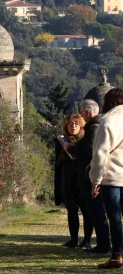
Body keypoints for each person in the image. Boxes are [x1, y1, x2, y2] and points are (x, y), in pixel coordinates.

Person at [65, 100, 110, 253]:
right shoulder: (100, 125)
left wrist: (71, 149)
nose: (82, 116)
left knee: (96, 212)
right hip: (93, 176)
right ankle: (103, 243)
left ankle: (103, 244)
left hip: (91, 176)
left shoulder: (93, 128)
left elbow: (88, 152)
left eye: (83, 113)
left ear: (88, 112)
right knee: (96, 212)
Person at [90, 88, 123, 269]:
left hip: (112, 178)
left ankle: (117, 255)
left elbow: (100, 155)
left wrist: (95, 180)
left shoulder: (107, 122)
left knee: (115, 219)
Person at [55, 114, 93, 248]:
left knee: (86, 211)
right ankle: (73, 239)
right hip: (68, 180)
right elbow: (58, 163)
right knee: (71, 210)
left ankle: (87, 240)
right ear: (66, 125)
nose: (73, 126)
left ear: (81, 125)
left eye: (76, 124)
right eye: (71, 124)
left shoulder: (85, 140)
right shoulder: (62, 140)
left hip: (83, 180)